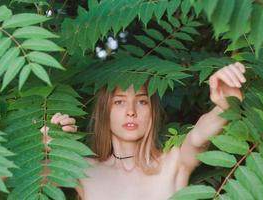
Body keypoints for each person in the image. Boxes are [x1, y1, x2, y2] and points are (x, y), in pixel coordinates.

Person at [44, 62, 246, 200]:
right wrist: (48, 145)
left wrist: (224, 106)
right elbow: (14, 181)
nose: (131, 112)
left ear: (152, 112)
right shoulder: (83, 169)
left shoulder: (174, 163)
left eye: (141, 101)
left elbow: (198, 138)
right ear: (105, 112)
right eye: (119, 102)